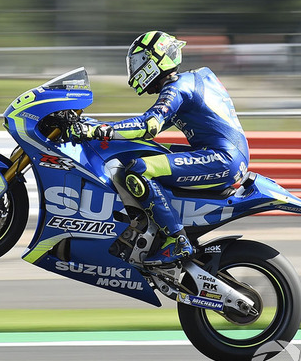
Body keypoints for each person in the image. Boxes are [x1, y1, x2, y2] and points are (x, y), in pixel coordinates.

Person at [69, 30, 250, 266]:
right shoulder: (190, 81)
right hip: (224, 154)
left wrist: (98, 130)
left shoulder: (177, 88)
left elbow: (149, 124)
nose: (134, 69)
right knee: (144, 151)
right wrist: (95, 126)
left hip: (222, 158)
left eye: (139, 62)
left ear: (157, 60)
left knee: (138, 169)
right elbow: (148, 129)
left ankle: (176, 239)